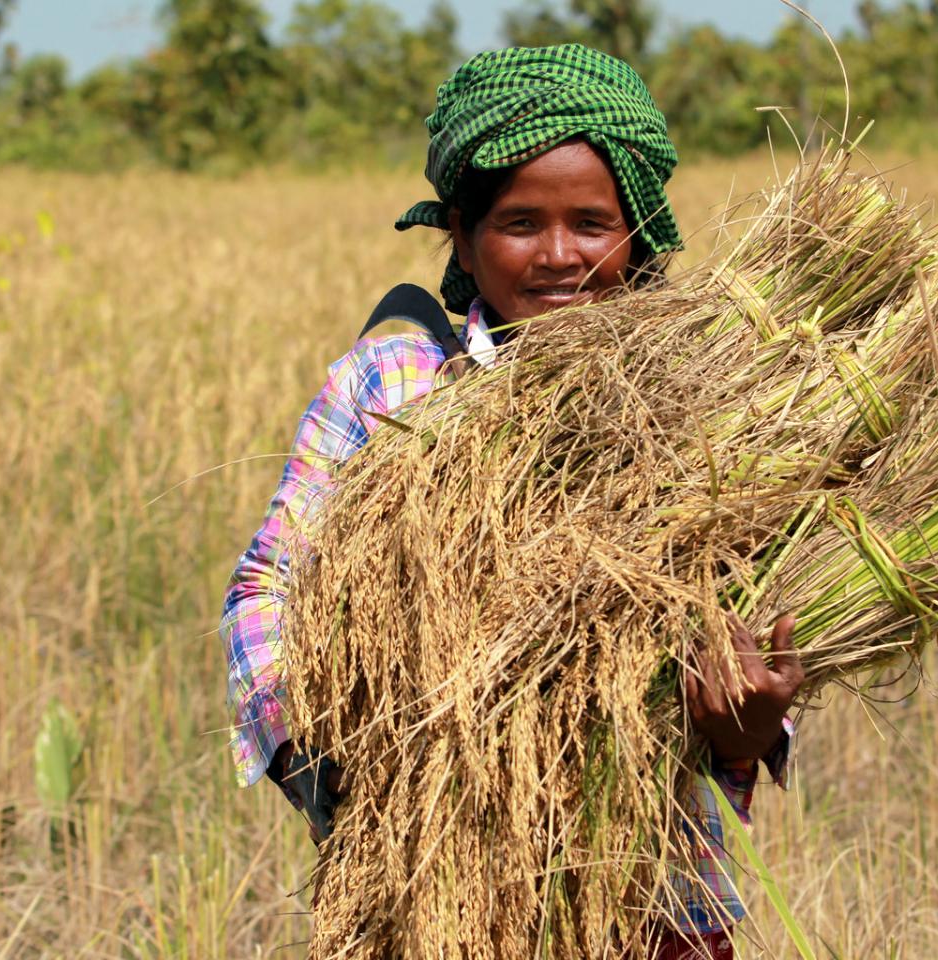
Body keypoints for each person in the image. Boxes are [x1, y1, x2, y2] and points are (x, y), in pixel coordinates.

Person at [220, 45, 802, 958]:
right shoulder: (396, 382)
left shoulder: (704, 409)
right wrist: (313, 756)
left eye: (592, 223)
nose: (560, 255)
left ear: (639, 232)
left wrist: (750, 720)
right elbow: (266, 587)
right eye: (521, 222)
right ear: (461, 231)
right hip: (427, 902)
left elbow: (759, 640)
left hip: (655, 906)